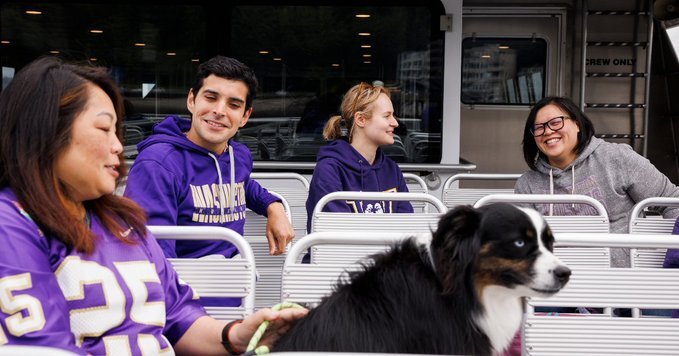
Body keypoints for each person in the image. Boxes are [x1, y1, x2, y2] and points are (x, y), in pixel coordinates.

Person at [0, 57, 306, 354]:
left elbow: (175, 314)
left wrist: (235, 336)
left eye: (117, 130)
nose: (119, 146)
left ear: (245, 115)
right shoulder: (11, 224)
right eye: (104, 129)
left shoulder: (122, 221)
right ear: (48, 131)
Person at [125, 56, 294, 258]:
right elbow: (154, 255)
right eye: (211, 98)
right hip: (185, 286)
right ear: (191, 100)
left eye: (233, 105)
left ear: (245, 116)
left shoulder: (237, 156)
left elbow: (244, 185)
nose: (219, 111)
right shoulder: (158, 163)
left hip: (236, 283)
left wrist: (273, 206)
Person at [515, 96, 679, 267]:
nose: (548, 131)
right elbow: (523, 244)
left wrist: (672, 262)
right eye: (538, 128)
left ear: (577, 124)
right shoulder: (527, 185)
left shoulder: (616, 158)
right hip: (559, 282)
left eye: (556, 122)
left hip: (626, 279)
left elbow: (671, 200)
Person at [305, 82, 414, 233]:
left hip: (386, 256)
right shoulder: (329, 170)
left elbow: (407, 226)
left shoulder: (391, 169)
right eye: (387, 116)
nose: (395, 123)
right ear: (361, 119)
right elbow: (336, 235)